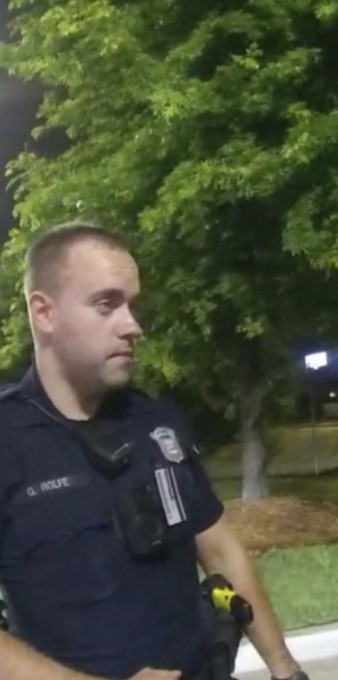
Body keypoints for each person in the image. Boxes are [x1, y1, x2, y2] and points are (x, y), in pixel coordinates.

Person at [0, 223, 309, 680]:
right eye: (106, 304)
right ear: (44, 313)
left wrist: (286, 670)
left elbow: (220, 549)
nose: (133, 327)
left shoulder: (158, 423)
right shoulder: (7, 439)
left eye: (132, 305)